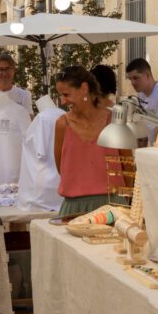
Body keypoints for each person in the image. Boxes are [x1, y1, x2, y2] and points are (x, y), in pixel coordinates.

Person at [53, 66, 124, 216]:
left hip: (114, 209)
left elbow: (127, 166)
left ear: (84, 88)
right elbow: (62, 169)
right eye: (61, 96)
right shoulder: (62, 124)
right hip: (74, 210)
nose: (63, 101)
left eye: (66, 94)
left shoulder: (114, 121)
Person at [17, 94, 66, 213]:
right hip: (61, 179)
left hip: (43, 181)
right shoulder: (64, 116)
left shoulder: (42, 118)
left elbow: (40, 150)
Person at [126, 58, 158, 144]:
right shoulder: (141, 94)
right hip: (150, 146)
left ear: (147, 75)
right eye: (130, 79)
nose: (132, 83)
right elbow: (141, 124)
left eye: (136, 78)